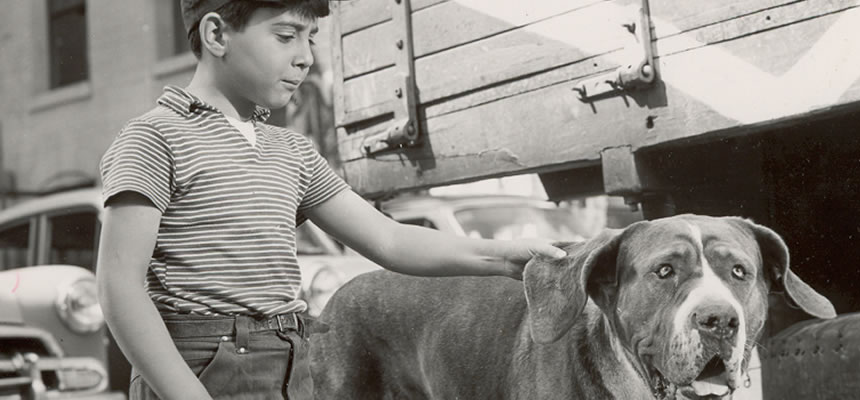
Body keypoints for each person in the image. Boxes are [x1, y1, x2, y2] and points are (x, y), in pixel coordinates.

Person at [95, 1, 567, 399]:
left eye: (311, 39)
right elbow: (120, 288)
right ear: (217, 33)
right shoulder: (154, 138)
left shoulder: (291, 150)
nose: (304, 58)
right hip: (198, 368)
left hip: (293, 363)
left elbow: (390, 240)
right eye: (286, 36)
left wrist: (506, 257)